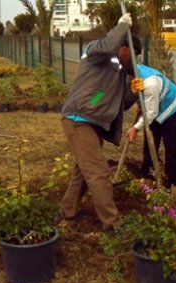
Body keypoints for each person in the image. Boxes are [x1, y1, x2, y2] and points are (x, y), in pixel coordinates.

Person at [56, 13, 144, 231]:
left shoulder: (121, 72)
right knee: (98, 173)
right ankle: (113, 224)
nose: (135, 60)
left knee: (83, 172)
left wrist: (133, 92)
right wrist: (122, 25)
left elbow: (119, 104)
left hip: (93, 123)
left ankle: (67, 210)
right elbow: (108, 45)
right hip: (79, 120)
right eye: (134, 54)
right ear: (123, 47)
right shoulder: (97, 53)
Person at [125, 64, 176, 188]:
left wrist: (135, 128)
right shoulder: (133, 70)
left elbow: (151, 113)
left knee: (171, 145)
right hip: (154, 103)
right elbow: (139, 93)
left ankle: (174, 181)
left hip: (170, 106)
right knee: (150, 141)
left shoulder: (150, 83)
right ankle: (148, 175)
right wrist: (138, 102)